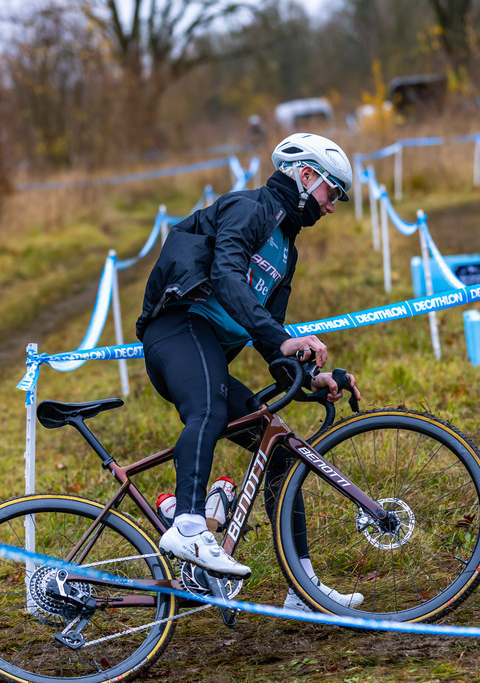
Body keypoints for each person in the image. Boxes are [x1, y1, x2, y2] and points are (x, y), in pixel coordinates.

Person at [135, 133, 363, 609]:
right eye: (332, 192)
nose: (331, 206)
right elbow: (225, 275)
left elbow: (269, 336)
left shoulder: (287, 251)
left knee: (279, 452)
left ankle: (302, 588)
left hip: (207, 352)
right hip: (178, 330)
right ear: (306, 176)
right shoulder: (250, 208)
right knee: (209, 410)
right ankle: (188, 525)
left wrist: (310, 379)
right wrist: (281, 337)